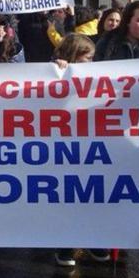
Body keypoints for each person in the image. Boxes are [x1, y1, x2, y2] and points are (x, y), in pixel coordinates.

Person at [94, 1, 139, 249]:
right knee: (112, 176)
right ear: (128, 21)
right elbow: (90, 72)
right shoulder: (108, 43)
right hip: (112, 120)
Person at [52, 33, 110, 266]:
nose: (92, 63)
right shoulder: (52, 71)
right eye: (88, 59)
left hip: (89, 145)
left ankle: (93, 239)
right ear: (73, 56)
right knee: (67, 195)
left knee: (90, 194)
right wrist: (56, 71)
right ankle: (66, 244)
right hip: (62, 145)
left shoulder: (96, 76)